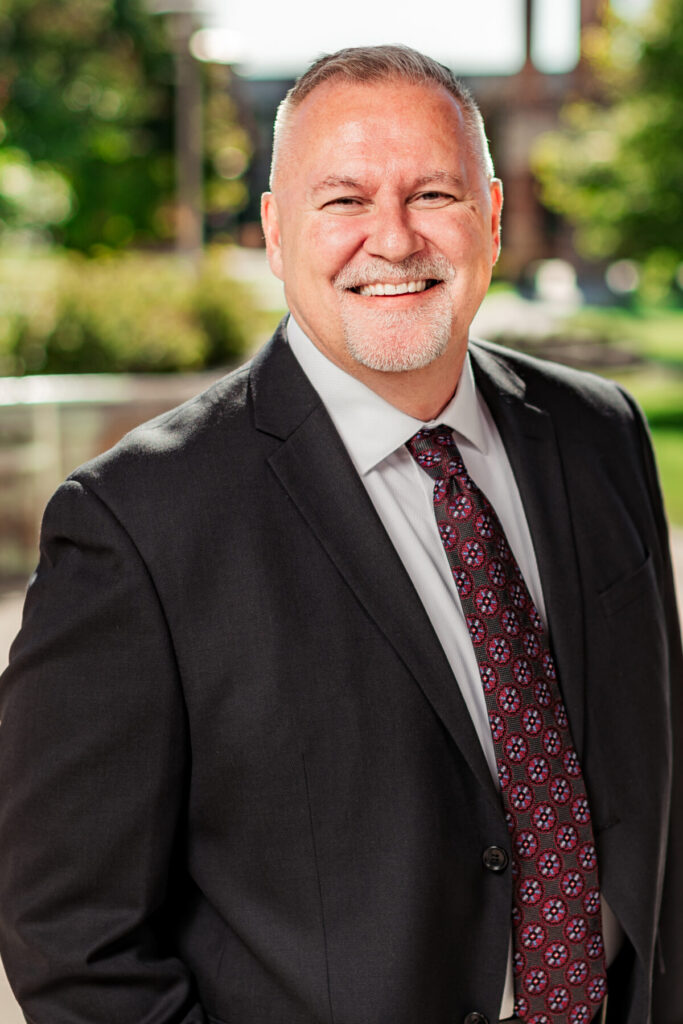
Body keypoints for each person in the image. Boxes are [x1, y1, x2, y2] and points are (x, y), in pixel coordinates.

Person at [0, 44, 681, 1024]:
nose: (393, 238)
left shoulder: (598, 433)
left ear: (490, 217)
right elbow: (70, 937)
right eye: (344, 200)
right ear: (277, 232)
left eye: (433, 194)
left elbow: (654, 799)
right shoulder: (136, 527)